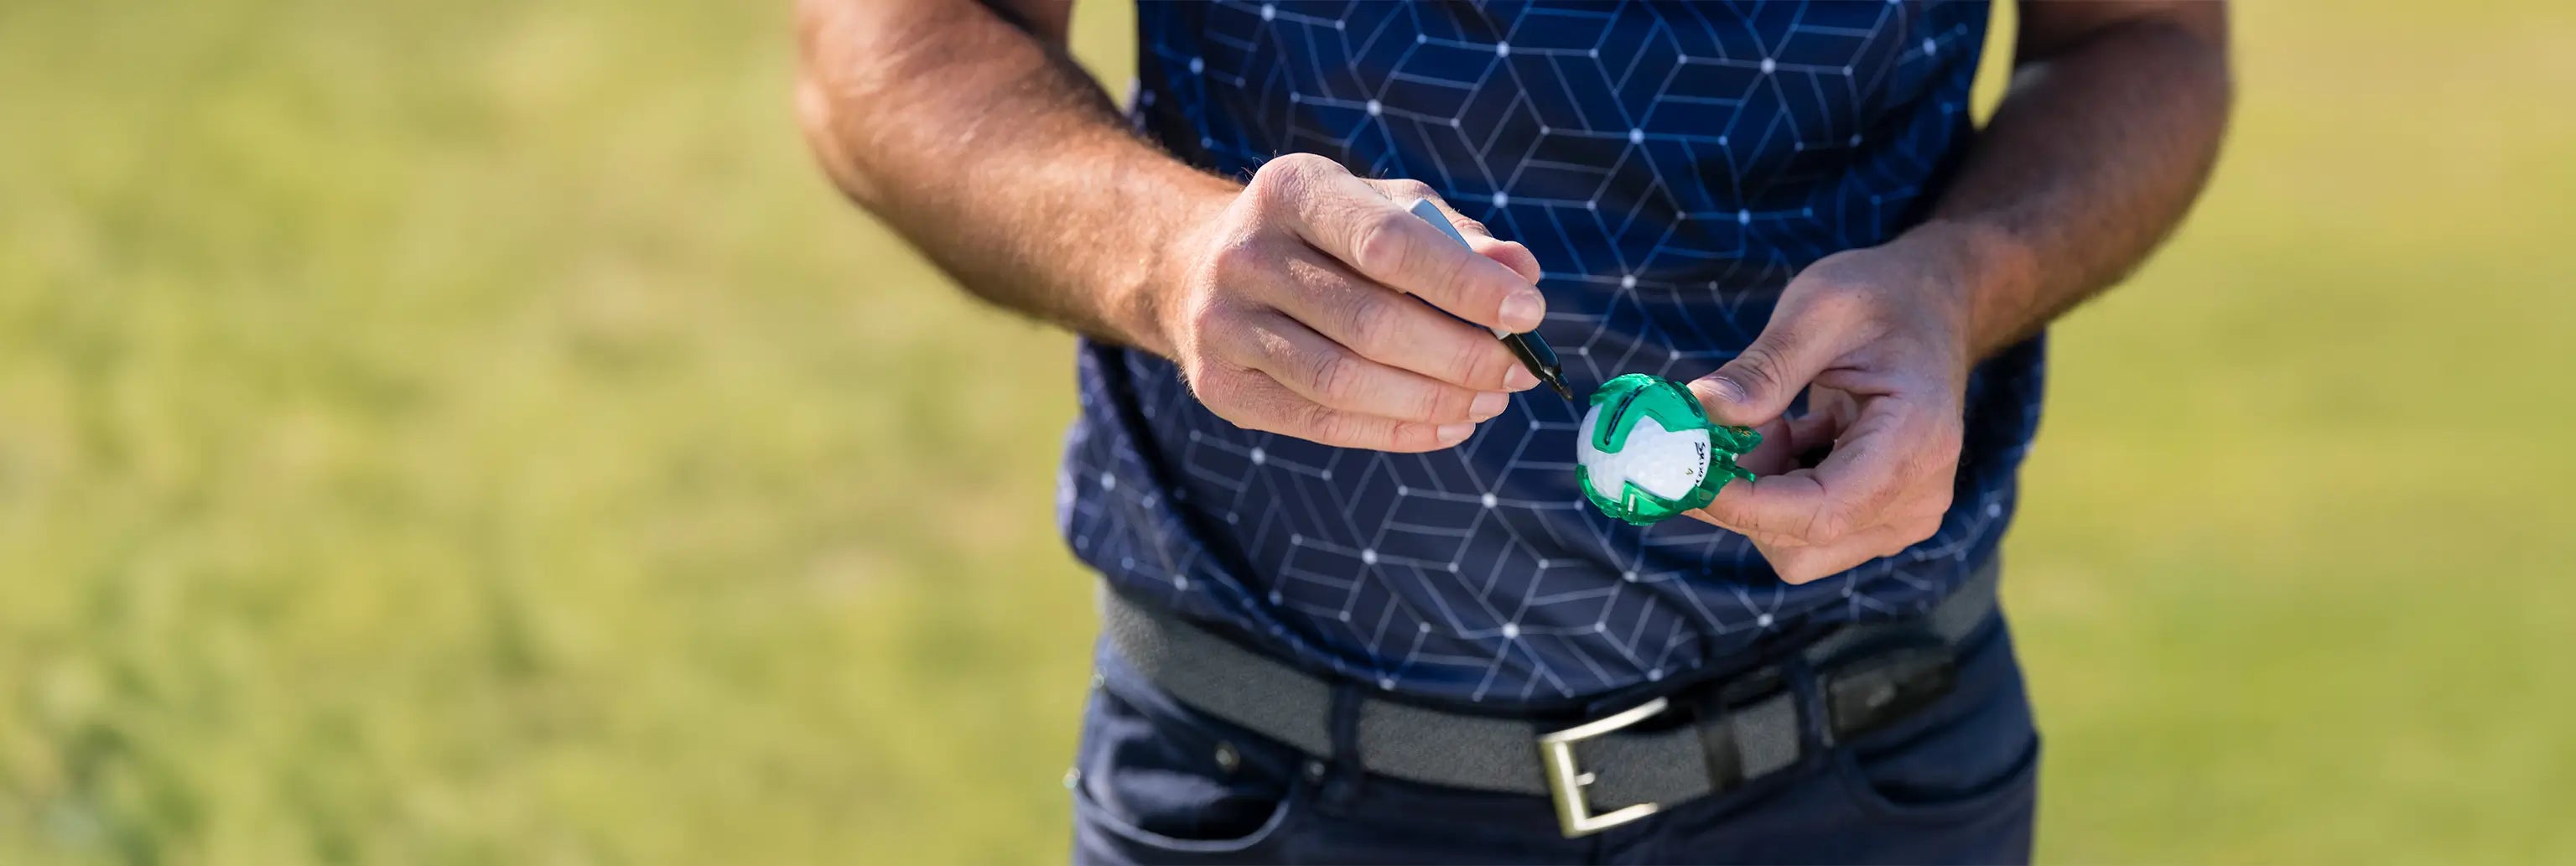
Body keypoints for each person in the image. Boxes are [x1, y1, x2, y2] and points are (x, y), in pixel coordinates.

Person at [798, 1, 2229, 862]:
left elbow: (2143, 38)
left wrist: (1967, 278)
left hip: (1867, 759)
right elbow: (893, 47)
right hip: (1265, 775)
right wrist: (1169, 256)